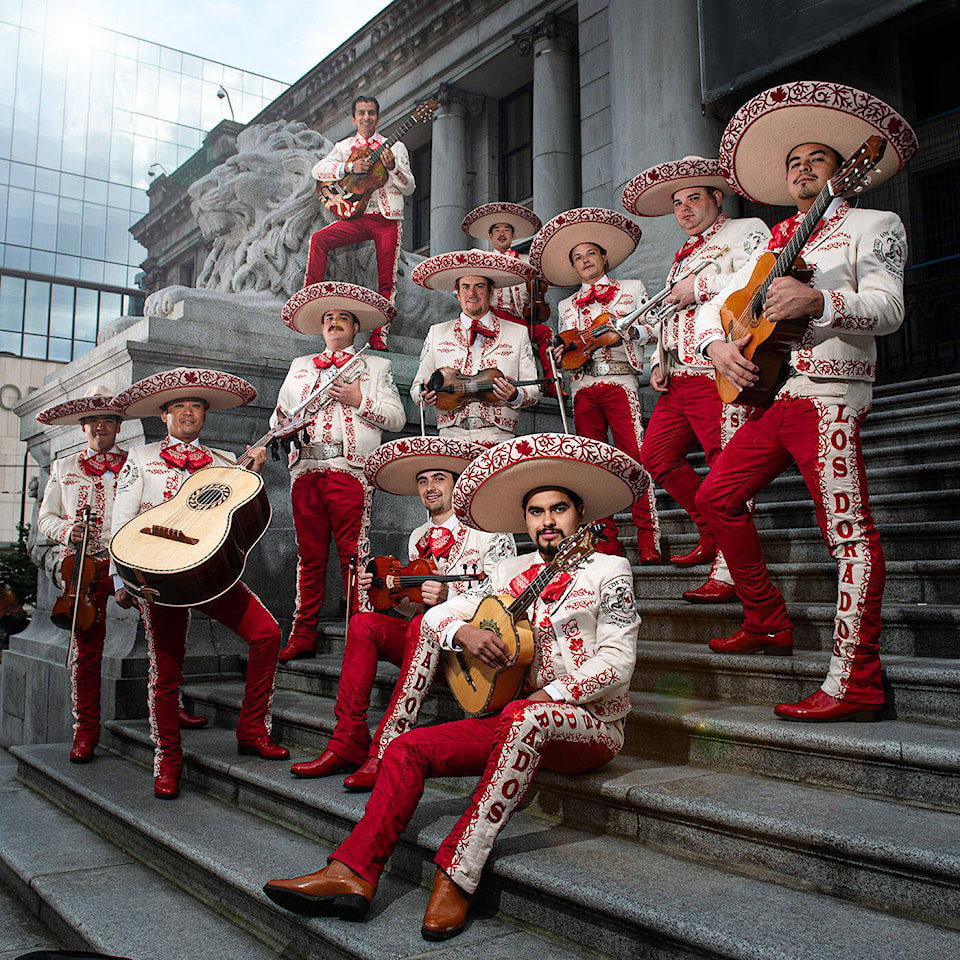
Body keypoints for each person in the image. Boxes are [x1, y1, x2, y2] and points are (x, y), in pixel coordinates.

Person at [263, 432, 644, 940]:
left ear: (580, 516)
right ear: (526, 520)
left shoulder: (609, 570)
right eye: (536, 512)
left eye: (558, 510)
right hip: (513, 721)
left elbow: (617, 663)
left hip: (589, 725)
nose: (547, 521)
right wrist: (462, 630)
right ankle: (352, 871)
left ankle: (458, 873)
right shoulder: (514, 570)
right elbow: (442, 613)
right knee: (407, 747)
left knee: (523, 717)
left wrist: (548, 696)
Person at [693, 80, 918, 721]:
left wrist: (821, 300)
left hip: (832, 395)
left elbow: (892, 307)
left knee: (848, 535)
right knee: (716, 496)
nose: (800, 170)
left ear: (847, 170)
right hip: (777, 396)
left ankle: (858, 682)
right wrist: (715, 348)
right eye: (792, 164)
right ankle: (766, 619)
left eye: (814, 160)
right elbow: (719, 305)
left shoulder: (874, 224)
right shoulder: (775, 241)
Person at [289, 435, 515, 791]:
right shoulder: (417, 536)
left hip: (473, 657)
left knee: (419, 627)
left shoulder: (488, 530)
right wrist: (393, 595)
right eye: (423, 481)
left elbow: (505, 598)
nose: (430, 487)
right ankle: (347, 738)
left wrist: (448, 595)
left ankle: (385, 747)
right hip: (428, 649)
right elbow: (417, 606)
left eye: (439, 478)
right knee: (364, 622)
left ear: (456, 483)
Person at [110, 367, 289, 799]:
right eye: (179, 407)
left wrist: (255, 475)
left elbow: (239, 517)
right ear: (164, 415)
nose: (188, 413)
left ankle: (251, 730)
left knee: (266, 633)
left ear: (204, 416)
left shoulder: (226, 463)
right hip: (157, 575)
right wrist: (121, 578)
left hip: (210, 572)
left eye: (195, 406)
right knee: (166, 671)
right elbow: (120, 519)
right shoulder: (141, 458)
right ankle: (167, 760)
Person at [621, 156, 770, 601]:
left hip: (717, 371)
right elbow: (672, 312)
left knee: (725, 466)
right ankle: (709, 530)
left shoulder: (748, 231)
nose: (684, 210)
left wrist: (701, 289)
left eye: (693, 199)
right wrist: (656, 363)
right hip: (678, 376)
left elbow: (761, 280)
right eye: (678, 204)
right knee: (657, 457)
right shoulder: (681, 253)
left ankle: (729, 572)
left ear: (716, 198)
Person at [274, 282, 406, 662]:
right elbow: (279, 414)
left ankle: (360, 632)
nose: (334, 323)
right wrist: (286, 422)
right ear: (321, 328)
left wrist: (358, 400)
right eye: (328, 318)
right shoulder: (300, 366)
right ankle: (303, 635)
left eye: (342, 318)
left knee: (355, 556)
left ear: (355, 328)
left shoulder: (377, 364)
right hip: (305, 470)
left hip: (350, 470)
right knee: (309, 558)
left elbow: (397, 420)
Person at [530, 207, 660, 560]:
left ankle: (649, 540)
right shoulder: (567, 304)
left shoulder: (631, 289)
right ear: (573, 267)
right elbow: (568, 346)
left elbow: (655, 330)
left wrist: (630, 331)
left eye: (590, 254)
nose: (585, 261)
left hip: (620, 381)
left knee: (635, 458)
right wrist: (560, 354)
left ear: (604, 257)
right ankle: (606, 542)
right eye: (577, 258)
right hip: (583, 388)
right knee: (593, 466)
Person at [36, 387, 129, 763]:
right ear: (82, 426)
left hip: (127, 562)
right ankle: (85, 731)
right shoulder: (63, 467)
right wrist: (66, 532)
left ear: (119, 427)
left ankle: (173, 707)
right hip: (83, 572)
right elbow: (45, 519)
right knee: (87, 653)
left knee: (163, 632)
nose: (100, 427)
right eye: (93, 421)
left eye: (108, 420)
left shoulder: (135, 462)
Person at [305, 95, 416, 350]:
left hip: (387, 218)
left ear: (378, 117)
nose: (367, 117)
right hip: (355, 214)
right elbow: (317, 171)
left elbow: (409, 186)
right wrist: (348, 167)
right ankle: (309, 298)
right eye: (362, 113)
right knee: (319, 239)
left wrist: (392, 168)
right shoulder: (344, 147)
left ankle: (380, 333)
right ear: (354, 119)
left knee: (387, 279)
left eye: (371, 113)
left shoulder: (395, 147)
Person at [410, 250, 542, 445]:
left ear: (491, 292)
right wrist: (424, 394)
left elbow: (533, 390)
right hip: (450, 437)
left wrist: (515, 395)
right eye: (466, 287)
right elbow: (416, 387)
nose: (472, 293)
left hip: (499, 438)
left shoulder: (517, 333)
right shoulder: (437, 332)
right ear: (457, 294)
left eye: (479, 286)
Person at [460, 203, 556, 391]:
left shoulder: (527, 261)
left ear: (513, 236)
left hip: (520, 321)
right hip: (493, 318)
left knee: (545, 332)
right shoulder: (481, 259)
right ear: (490, 236)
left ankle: (552, 382)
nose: (501, 234)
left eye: (506, 230)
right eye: (497, 230)